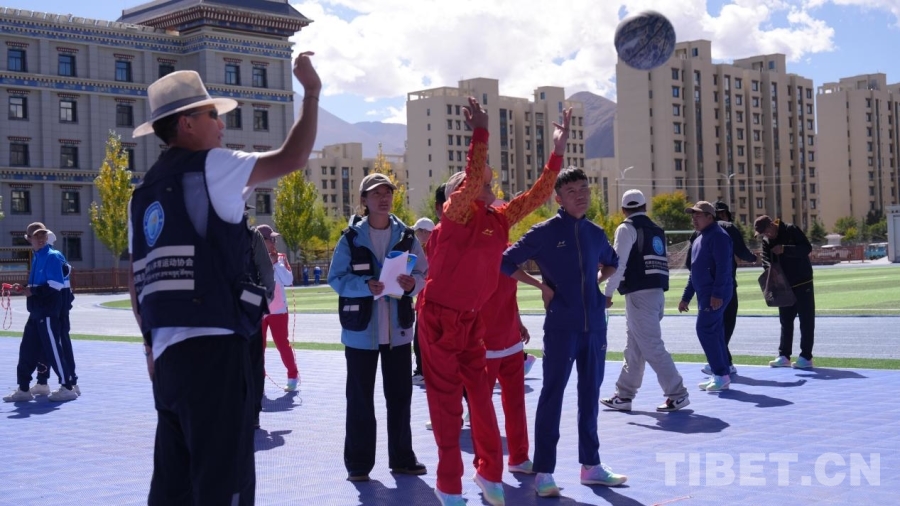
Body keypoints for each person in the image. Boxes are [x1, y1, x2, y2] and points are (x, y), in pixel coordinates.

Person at [127, 53, 320, 506]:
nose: (221, 124)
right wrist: (311, 93)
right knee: (224, 483)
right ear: (187, 124)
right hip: (214, 351)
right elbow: (292, 157)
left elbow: (139, 283)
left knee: (173, 488)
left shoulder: (142, 194)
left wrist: (151, 347)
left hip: (167, 360)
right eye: (212, 114)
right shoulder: (213, 166)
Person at [418, 97, 570, 506]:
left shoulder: (497, 218)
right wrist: (481, 133)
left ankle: (489, 473)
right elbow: (471, 180)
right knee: (448, 405)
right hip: (437, 319)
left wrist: (557, 154)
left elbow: (537, 196)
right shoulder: (455, 215)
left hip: (470, 321)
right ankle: (449, 485)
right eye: (485, 183)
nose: (491, 188)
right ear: (459, 193)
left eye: (490, 183)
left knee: (482, 402)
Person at [501, 167, 625, 497]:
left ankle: (591, 466)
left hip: (594, 326)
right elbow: (506, 262)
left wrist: (597, 282)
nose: (580, 195)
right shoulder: (544, 232)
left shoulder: (595, 233)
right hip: (561, 326)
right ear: (559, 198)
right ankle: (544, 471)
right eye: (572, 191)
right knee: (552, 395)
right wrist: (541, 286)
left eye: (584, 189)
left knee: (590, 395)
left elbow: (612, 262)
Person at [327, 173, 429, 482]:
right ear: (364, 200)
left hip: (398, 332)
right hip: (360, 334)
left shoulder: (407, 236)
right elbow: (336, 278)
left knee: (400, 397)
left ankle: (402, 458)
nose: (384, 199)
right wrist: (364, 286)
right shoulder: (350, 238)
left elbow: (423, 273)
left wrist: (412, 285)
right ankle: (358, 465)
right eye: (376, 194)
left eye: (388, 193)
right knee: (359, 399)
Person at [600, 189, 689, 413]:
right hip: (657, 293)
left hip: (639, 296)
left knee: (651, 346)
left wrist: (607, 293)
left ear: (623, 209)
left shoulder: (626, 228)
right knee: (635, 347)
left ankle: (677, 394)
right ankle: (624, 395)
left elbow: (619, 264)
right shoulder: (656, 229)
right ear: (645, 207)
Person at [3, 223, 78, 403]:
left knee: (54, 350)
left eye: (43, 235)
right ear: (28, 239)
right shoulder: (37, 257)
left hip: (48, 313)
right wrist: (24, 288)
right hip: (36, 312)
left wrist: (32, 291)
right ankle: (23, 389)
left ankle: (68, 387)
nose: (41, 238)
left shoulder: (52, 256)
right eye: (36, 236)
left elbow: (56, 285)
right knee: (27, 350)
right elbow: (40, 285)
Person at [678, 201, 734, 392]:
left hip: (714, 293)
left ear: (710, 217)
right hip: (706, 293)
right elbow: (695, 271)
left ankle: (720, 374)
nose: (694, 219)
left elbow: (724, 267)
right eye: (692, 216)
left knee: (705, 329)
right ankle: (722, 373)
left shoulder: (719, 236)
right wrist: (686, 297)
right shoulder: (699, 238)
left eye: (698, 215)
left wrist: (717, 293)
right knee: (714, 331)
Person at [754, 215, 816, 369]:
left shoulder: (790, 229)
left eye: (766, 231)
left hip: (803, 282)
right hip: (783, 285)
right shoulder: (766, 240)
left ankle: (806, 357)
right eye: (762, 234)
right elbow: (766, 259)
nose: (766, 235)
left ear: (771, 225)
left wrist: (785, 249)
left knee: (806, 320)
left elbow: (806, 248)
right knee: (785, 320)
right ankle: (784, 355)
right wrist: (770, 271)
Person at [257, 224, 299, 392]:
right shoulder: (250, 258)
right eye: (271, 239)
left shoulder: (281, 258)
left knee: (282, 344)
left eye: (275, 239)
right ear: (261, 241)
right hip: (258, 311)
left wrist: (275, 263)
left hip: (278, 310)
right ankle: (258, 378)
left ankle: (293, 376)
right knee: (258, 347)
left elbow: (288, 280)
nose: (274, 243)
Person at [33, 253, 79, 397]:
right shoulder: (45, 257)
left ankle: (71, 382)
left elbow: (61, 287)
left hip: (57, 311)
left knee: (60, 345)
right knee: (45, 345)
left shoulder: (54, 258)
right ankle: (42, 381)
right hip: (51, 309)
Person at [247, 216, 275, 430]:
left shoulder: (208, 229)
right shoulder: (251, 234)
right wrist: (264, 300)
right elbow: (265, 271)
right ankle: (253, 412)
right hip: (248, 304)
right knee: (254, 362)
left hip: (220, 308)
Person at [410, 216, 435, 385]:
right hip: (426, 300)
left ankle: (421, 371)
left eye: (418, 232)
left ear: (426, 233)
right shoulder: (433, 251)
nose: (416, 235)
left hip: (427, 301)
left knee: (420, 337)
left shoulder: (426, 254)